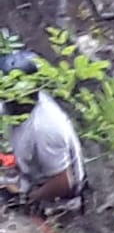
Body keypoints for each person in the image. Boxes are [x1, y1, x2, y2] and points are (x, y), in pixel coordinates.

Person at [0, 49, 86, 214]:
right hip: (27, 173)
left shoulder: (46, 127)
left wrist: (27, 200)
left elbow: (63, 182)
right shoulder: (11, 103)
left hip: (53, 194)